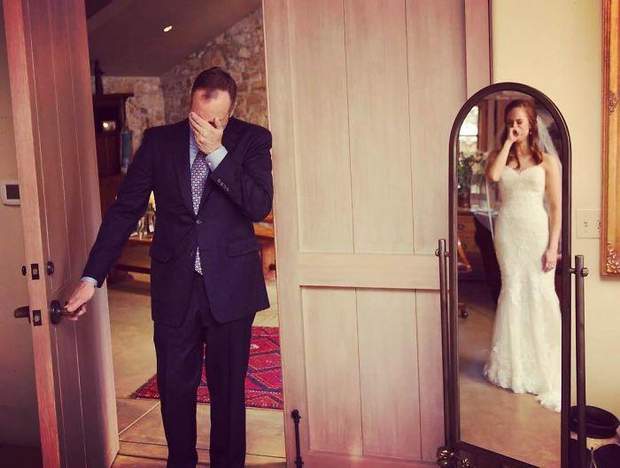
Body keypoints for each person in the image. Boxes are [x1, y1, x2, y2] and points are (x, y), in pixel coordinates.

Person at [66, 66, 273, 467]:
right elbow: (125, 211)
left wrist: (217, 152)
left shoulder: (252, 140)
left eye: (214, 121)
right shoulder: (159, 142)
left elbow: (258, 205)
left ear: (230, 113)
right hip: (175, 288)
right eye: (198, 117)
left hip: (232, 289)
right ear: (189, 104)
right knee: (175, 389)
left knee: (228, 392)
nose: (204, 127)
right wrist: (91, 277)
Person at [482, 99, 562, 412]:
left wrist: (553, 246)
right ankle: (512, 365)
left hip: (536, 233)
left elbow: (555, 208)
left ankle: (542, 365)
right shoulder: (501, 155)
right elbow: (493, 176)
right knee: (512, 291)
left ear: (531, 125)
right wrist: (507, 143)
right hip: (508, 233)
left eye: (519, 122)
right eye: (510, 122)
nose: (514, 126)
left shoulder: (547, 162)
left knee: (539, 291)